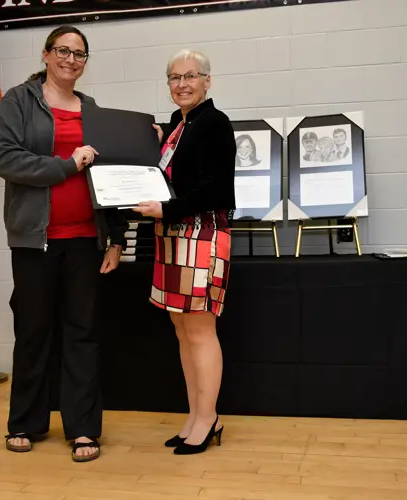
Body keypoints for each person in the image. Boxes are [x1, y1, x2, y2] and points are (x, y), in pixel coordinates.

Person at [0, 25, 127, 462]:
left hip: (87, 239)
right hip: (35, 241)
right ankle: (25, 422)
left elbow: (113, 175)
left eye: (80, 54)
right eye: (63, 50)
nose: (71, 59)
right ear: (47, 55)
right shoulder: (17, 102)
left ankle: (83, 429)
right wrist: (67, 164)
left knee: (82, 334)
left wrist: (116, 238)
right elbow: (4, 159)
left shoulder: (94, 110)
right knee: (33, 332)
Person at [132, 49, 236, 456]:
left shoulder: (215, 123)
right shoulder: (178, 123)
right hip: (173, 235)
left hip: (202, 236)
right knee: (182, 331)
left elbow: (216, 190)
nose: (182, 85)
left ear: (207, 81)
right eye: (174, 78)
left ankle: (208, 418)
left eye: (191, 76)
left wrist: (167, 208)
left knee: (200, 331)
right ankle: (195, 414)